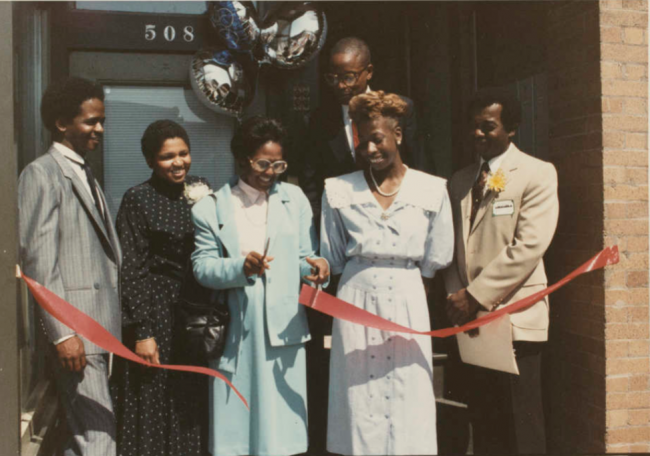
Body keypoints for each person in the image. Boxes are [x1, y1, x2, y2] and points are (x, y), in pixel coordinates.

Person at [299, 36, 426, 454]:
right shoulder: (319, 120)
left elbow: (418, 172)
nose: (340, 85)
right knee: (356, 377)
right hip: (350, 263)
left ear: (368, 73)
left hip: (397, 260)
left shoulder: (402, 109)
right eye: (332, 77)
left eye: (348, 76)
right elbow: (315, 183)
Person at [320, 91, 454, 455]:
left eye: (377, 139)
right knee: (358, 392)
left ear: (398, 133)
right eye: (363, 142)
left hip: (408, 294)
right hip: (355, 298)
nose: (369, 150)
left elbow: (438, 254)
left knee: (407, 390)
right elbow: (331, 256)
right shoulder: (338, 189)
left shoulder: (431, 189)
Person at [191, 116, 330, 456]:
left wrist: (315, 267)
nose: (271, 172)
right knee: (235, 422)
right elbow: (202, 267)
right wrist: (241, 267)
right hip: (236, 325)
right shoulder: (210, 208)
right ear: (242, 160)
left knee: (282, 426)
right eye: (263, 164)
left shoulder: (294, 198)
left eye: (279, 164)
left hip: (284, 325)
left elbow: (302, 255)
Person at [443, 89, 559, 454]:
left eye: (488, 127)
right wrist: (456, 298)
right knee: (486, 422)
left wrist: (475, 296)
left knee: (521, 425)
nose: (477, 134)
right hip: (473, 324)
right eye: (473, 127)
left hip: (515, 320)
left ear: (512, 129)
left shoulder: (537, 173)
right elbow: (453, 249)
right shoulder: (459, 181)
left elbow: (528, 247)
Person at [18, 77, 122, 455]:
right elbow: (38, 263)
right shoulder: (41, 174)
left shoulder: (85, 172)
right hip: (78, 332)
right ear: (62, 123)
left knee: (88, 438)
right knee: (97, 439)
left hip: (99, 331)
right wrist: (63, 334)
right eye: (91, 121)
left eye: (102, 120)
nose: (100, 129)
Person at [111, 120, 210, 456]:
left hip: (193, 308)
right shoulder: (138, 199)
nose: (178, 162)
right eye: (168, 156)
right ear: (151, 160)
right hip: (154, 308)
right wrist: (142, 332)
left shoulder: (201, 189)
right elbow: (132, 269)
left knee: (189, 395)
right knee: (152, 393)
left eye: (184, 153)